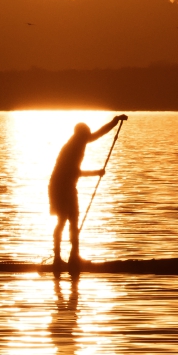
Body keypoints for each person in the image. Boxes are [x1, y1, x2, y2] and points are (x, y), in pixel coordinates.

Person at [50, 114, 127, 266]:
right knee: (63, 221)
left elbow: (98, 134)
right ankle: (57, 259)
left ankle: (74, 257)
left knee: (73, 221)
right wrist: (96, 173)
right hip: (59, 188)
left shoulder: (80, 142)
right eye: (86, 134)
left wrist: (114, 121)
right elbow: (73, 172)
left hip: (70, 187)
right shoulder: (70, 149)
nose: (88, 137)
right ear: (80, 134)